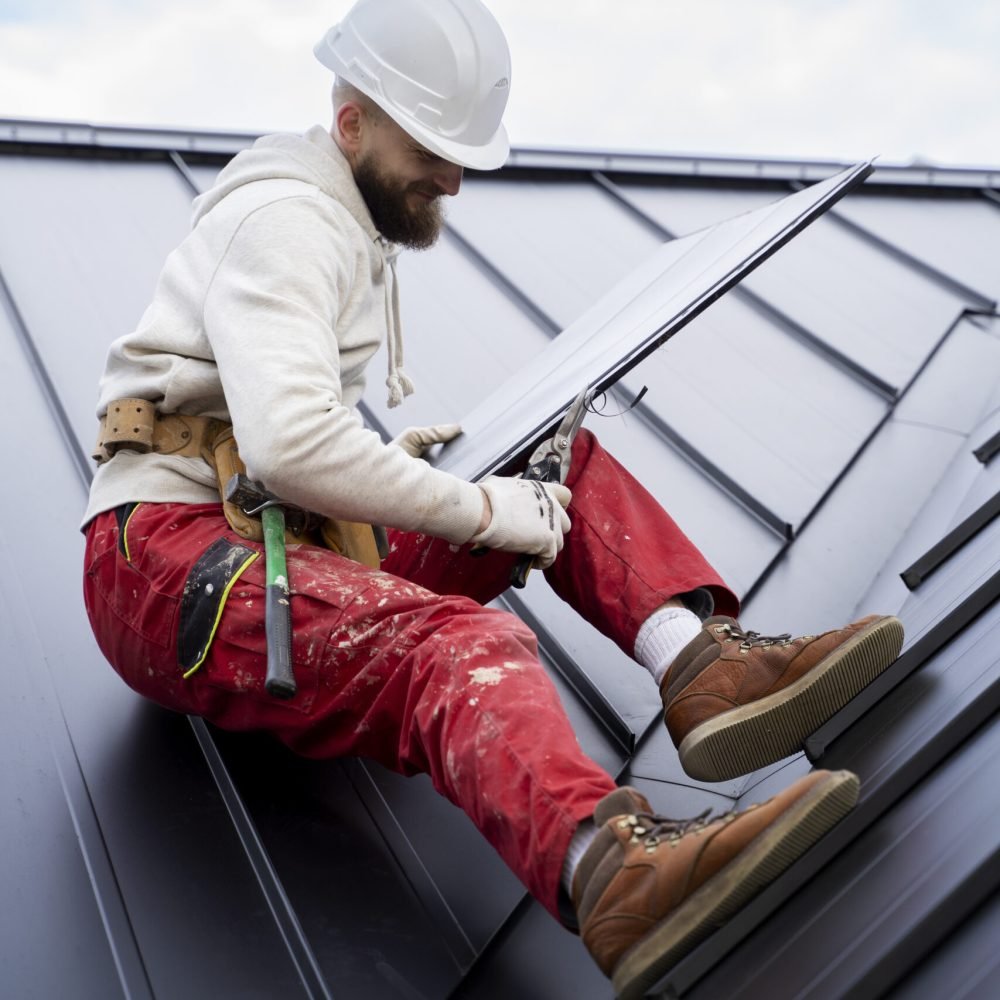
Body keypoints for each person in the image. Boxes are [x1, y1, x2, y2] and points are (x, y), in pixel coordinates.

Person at [80, 1, 903, 996]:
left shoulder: (338, 219)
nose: (453, 178)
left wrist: (428, 480)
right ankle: (612, 873)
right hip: (168, 565)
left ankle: (699, 666)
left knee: (556, 464)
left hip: (264, 537)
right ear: (352, 124)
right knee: (455, 645)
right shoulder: (288, 222)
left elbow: (273, 446)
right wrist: (472, 511)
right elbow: (291, 445)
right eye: (432, 150)